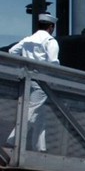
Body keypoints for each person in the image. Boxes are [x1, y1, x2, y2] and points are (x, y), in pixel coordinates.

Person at [6, 13, 59, 152]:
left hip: (26, 79)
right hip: (41, 81)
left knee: (39, 114)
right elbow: (53, 62)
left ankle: (40, 147)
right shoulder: (50, 41)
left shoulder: (28, 40)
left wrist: (22, 66)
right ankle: (12, 139)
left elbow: (12, 51)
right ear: (51, 27)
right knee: (31, 111)